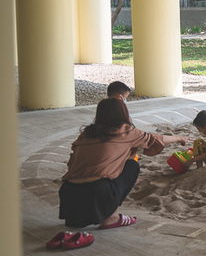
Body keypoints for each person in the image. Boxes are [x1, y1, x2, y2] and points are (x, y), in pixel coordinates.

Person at [58, 97, 190, 229]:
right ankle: (112, 218)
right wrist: (179, 138)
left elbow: (73, 160)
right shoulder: (125, 131)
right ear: (123, 113)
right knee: (131, 165)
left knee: (122, 158)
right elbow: (155, 139)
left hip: (69, 196)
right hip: (98, 193)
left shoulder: (86, 133)